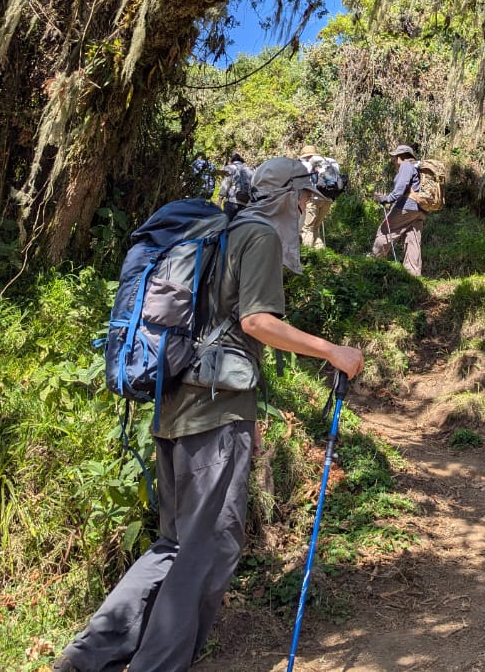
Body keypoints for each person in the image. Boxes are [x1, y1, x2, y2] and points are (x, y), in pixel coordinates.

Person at [53, 159, 365, 672]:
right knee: (209, 547)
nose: (307, 207)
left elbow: (218, 328)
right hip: (214, 417)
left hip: (175, 403)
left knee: (175, 544)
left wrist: (249, 416)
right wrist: (333, 351)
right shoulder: (259, 235)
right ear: (287, 196)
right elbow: (256, 322)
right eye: (305, 198)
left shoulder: (217, 232)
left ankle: (88, 657)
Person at [371, 145, 424, 276]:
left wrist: (387, 199)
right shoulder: (418, 168)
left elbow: (400, 187)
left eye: (394, 156)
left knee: (384, 232)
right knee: (413, 240)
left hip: (405, 207)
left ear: (401, 156)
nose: (393, 159)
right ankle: (413, 275)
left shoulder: (406, 165)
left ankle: (374, 263)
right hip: (420, 210)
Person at [297, 144, 334, 250]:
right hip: (327, 199)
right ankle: (320, 251)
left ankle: (308, 252)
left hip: (313, 199)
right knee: (315, 228)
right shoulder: (326, 163)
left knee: (307, 228)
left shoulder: (306, 164)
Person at [219, 151, 253, 219]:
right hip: (245, 203)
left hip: (232, 201)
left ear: (231, 160)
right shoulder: (250, 169)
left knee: (226, 222)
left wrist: (220, 199)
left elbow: (226, 183)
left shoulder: (230, 167)